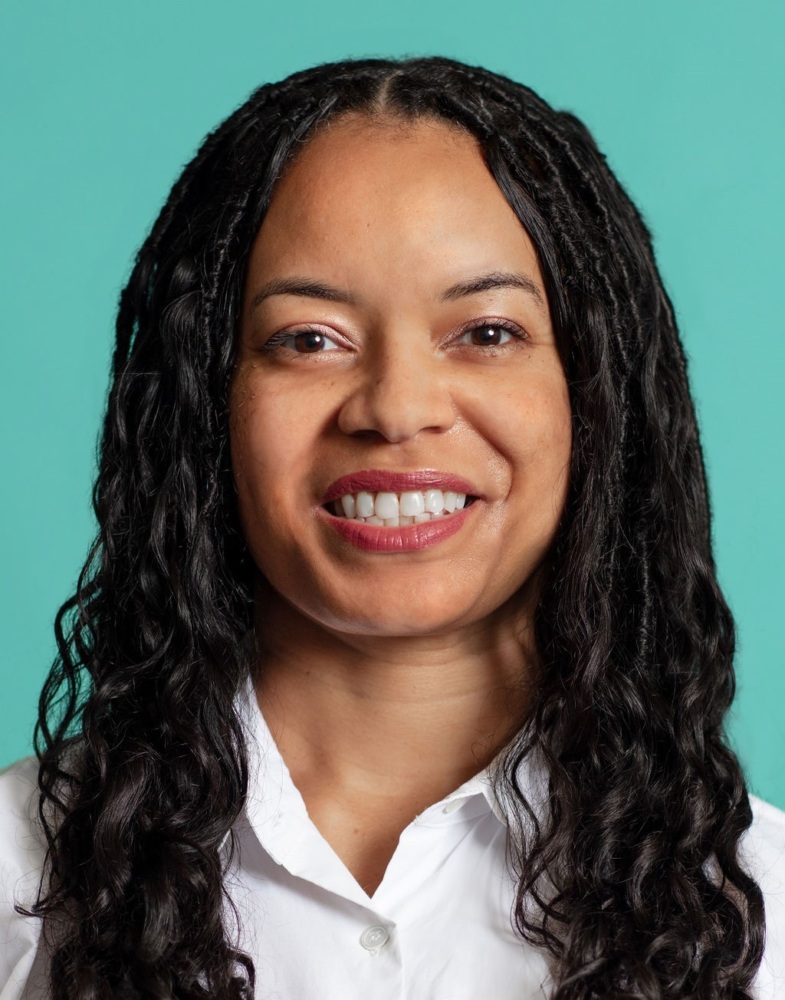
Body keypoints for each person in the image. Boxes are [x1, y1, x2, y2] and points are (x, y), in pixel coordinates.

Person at [1, 55, 783, 1000]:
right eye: (308, 339)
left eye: (486, 332)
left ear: (596, 394)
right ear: (206, 399)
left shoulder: (766, 914)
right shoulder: (16, 882)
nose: (396, 407)